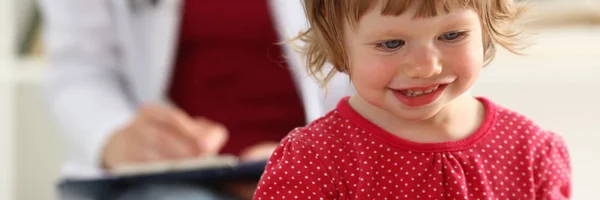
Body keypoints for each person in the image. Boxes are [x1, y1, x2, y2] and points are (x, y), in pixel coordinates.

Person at [253, 0, 572, 199]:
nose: (425, 67)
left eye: (451, 36)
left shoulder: (531, 152)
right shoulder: (313, 159)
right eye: (392, 43)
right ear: (335, 35)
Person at [38, 0, 353, 199]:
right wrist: (113, 135)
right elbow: (80, 67)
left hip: (333, 170)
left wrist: (313, 160)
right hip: (161, 181)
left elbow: (391, 67)